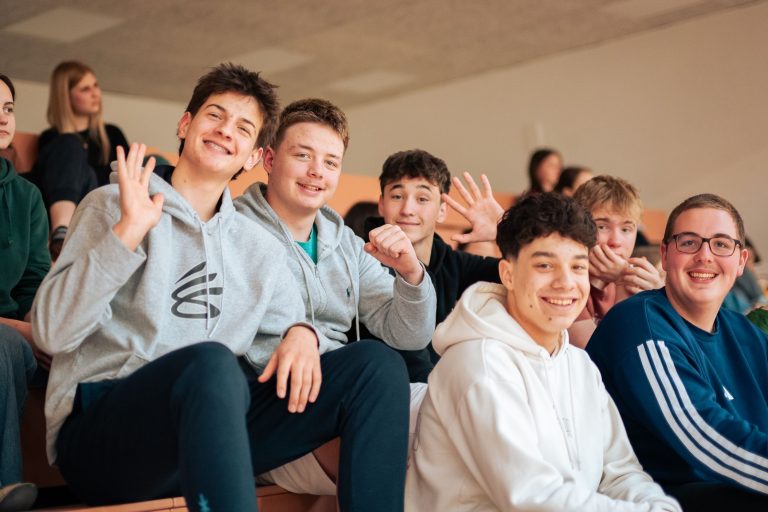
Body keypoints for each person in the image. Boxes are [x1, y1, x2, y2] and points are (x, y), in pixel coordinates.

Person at [31, 64, 409, 512]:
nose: (226, 130)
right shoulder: (113, 204)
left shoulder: (256, 246)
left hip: (207, 429)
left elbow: (291, 328)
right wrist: (127, 233)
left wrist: (302, 333)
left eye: (244, 127)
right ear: (185, 125)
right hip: (104, 434)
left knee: (375, 366)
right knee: (213, 362)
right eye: (215, 115)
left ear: (253, 157)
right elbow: (52, 332)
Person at [405, 193, 680, 511]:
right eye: (545, 265)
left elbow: (621, 473)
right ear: (508, 274)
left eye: (578, 267)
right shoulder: (478, 365)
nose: (566, 282)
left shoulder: (579, 364)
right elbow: (533, 497)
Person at [233, 98, 432, 503]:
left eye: (330, 162)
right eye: (302, 156)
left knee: (466, 395)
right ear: (269, 159)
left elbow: (410, 334)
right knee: (377, 366)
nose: (316, 172)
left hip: (343, 396)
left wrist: (411, 274)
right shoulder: (233, 229)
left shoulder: (346, 244)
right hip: (272, 405)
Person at [587, 193, 768, 510]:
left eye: (721, 244)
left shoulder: (744, 332)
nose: (704, 256)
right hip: (671, 499)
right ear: (665, 255)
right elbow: (703, 436)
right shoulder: (640, 326)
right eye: (688, 243)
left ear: (741, 261)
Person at [373, 149, 503, 381]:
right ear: (382, 204)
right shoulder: (362, 258)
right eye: (397, 196)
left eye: (422, 199)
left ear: (442, 210)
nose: (407, 209)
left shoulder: (452, 263)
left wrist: (506, 230)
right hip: (389, 386)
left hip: (440, 387)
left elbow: (520, 276)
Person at [0, 73, 49, 512]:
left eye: (8, 108)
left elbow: (35, 278)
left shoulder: (27, 196)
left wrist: (40, 326)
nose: (3, 118)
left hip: (12, 335)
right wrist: (16, 330)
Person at [33, 61, 129, 258]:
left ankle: (63, 236)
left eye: (96, 86)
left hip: (101, 208)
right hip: (67, 212)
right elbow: (46, 184)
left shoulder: (111, 134)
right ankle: (61, 234)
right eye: (85, 89)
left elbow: (123, 180)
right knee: (68, 143)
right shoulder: (51, 139)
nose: (95, 94)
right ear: (66, 96)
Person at [569, 176, 664, 347]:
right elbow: (600, 356)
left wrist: (661, 300)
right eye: (602, 227)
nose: (616, 241)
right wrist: (623, 282)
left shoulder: (639, 279)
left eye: (626, 229)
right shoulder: (568, 282)